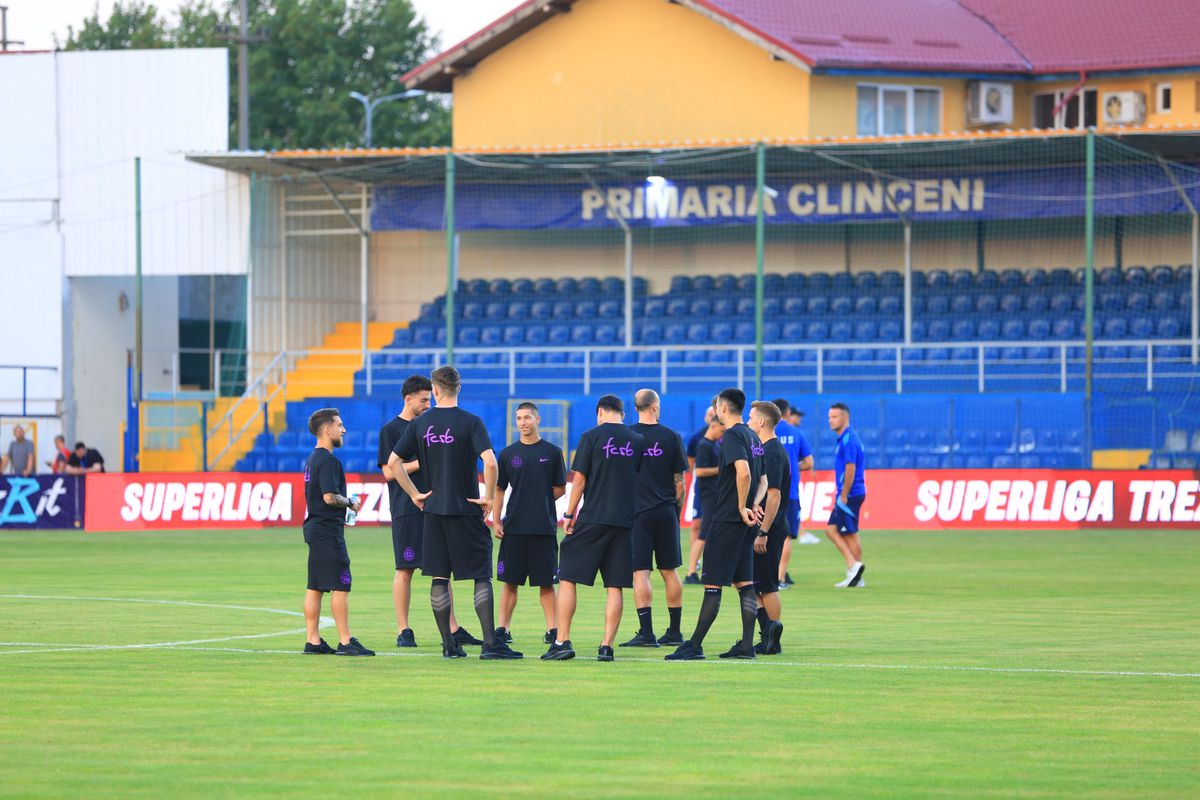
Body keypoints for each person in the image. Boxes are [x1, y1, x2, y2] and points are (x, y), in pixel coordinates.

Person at [389, 366, 521, 659]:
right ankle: (490, 644)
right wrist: (487, 497)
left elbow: (393, 462)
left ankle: (449, 645)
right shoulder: (471, 422)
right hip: (465, 510)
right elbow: (490, 462)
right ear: (458, 388)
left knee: (438, 577)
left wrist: (414, 494)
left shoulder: (420, 424)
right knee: (480, 576)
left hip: (434, 512)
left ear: (434, 391)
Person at [542, 394, 644, 662]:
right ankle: (606, 646)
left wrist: (568, 513)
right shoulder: (638, 441)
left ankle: (562, 640)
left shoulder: (591, 437)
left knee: (567, 577)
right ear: (622, 414)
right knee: (615, 585)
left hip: (593, 516)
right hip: (624, 521)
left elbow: (579, 481)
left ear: (600, 412)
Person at [378, 375, 477, 649]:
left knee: (443, 570)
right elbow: (388, 470)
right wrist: (422, 462)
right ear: (407, 399)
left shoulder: (431, 425)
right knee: (405, 569)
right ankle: (404, 629)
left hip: (437, 507)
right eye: (423, 400)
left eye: (429, 398)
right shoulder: (391, 430)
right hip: (406, 508)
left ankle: (453, 629)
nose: (427, 403)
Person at [666, 388, 766, 662]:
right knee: (745, 583)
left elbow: (744, 472)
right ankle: (747, 645)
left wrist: (741, 505)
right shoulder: (753, 436)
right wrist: (754, 504)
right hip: (746, 522)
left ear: (723, 408)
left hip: (728, 519)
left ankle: (694, 645)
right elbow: (763, 479)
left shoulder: (733, 434)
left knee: (713, 584)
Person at [301, 408, 373, 656]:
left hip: (314, 528)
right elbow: (330, 497)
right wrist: (351, 503)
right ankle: (345, 641)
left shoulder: (312, 459)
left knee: (316, 585)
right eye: (340, 425)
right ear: (327, 429)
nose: (344, 430)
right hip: (327, 530)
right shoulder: (329, 460)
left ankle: (313, 640)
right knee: (341, 584)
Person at [493, 402, 566, 647]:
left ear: (538, 420)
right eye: (519, 418)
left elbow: (559, 488)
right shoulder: (507, 454)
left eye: (527, 418)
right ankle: (502, 629)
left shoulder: (553, 452)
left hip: (543, 527)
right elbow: (500, 489)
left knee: (546, 583)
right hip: (513, 527)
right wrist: (496, 519)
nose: (523, 422)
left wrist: (539, 501)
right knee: (509, 583)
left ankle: (553, 629)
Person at [623, 389, 688, 648]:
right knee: (669, 570)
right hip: (665, 510)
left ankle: (646, 633)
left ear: (636, 407)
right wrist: (675, 510)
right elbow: (679, 482)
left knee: (640, 572)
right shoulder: (671, 436)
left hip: (637, 512)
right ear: (655, 406)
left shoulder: (628, 436)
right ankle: (674, 631)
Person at [748, 401, 790, 654]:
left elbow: (774, 495)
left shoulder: (772, 452)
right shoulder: (764, 449)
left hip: (769, 528)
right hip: (762, 526)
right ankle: (767, 635)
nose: (749, 420)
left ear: (762, 422)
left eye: (751, 417)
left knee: (766, 584)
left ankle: (773, 637)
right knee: (753, 584)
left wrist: (763, 531)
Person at [772, 399, 818, 590]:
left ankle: (766, 575)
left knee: (765, 535)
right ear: (788, 413)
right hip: (789, 493)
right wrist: (792, 466)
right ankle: (780, 578)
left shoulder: (764, 432)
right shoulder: (796, 432)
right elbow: (809, 463)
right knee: (786, 537)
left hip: (767, 492)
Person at [827, 402, 867, 588]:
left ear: (845, 417)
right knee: (834, 530)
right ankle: (855, 572)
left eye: (834, 417)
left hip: (849, 493)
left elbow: (851, 467)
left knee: (847, 533)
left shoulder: (848, 439)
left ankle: (854, 568)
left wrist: (844, 493)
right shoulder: (847, 438)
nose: (831, 420)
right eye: (829, 417)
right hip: (851, 492)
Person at [685, 418, 723, 584]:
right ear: (713, 426)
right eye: (721, 431)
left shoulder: (715, 444)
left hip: (715, 495)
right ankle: (691, 572)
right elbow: (699, 471)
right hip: (707, 496)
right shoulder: (704, 445)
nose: (721, 435)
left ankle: (709, 570)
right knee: (703, 533)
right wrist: (720, 470)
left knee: (711, 534)